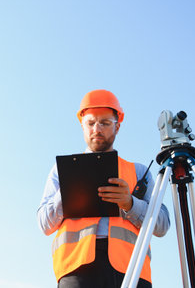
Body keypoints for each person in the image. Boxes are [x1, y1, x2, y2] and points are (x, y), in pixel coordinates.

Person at [37, 89, 170, 288]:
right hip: (77, 269)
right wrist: (68, 191)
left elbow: (162, 225)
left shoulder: (139, 172)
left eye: (105, 123)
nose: (97, 129)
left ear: (117, 127)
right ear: (82, 126)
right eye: (91, 123)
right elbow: (44, 224)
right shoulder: (61, 171)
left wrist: (130, 204)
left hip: (131, 270)